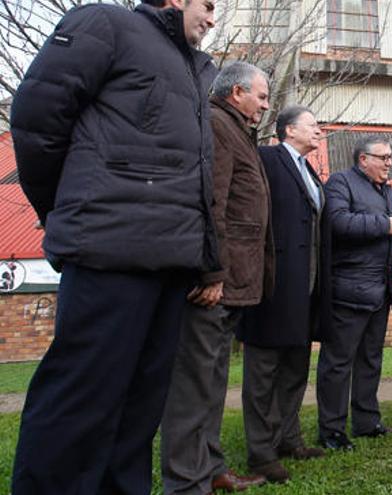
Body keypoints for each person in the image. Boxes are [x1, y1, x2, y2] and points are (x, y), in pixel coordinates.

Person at [9, 0, 218, 492]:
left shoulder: (191, 67)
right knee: (81, 404)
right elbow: (38, 117)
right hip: (110, 253)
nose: (213, 17)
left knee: (138, 412)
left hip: (170, 261)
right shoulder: (107, 23)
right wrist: (65, 206)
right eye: (208, 4)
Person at [161, 61, 273, 494]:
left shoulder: (234, 128)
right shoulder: (215, 125)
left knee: (212, 381)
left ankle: (210, 470)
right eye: (261, 96)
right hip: (215, 282)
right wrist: (211, 272)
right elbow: (210, 201)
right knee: (193, 385)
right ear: (236, 92)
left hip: (232, 283)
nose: (265, 105)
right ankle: (187, 481)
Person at [238, 105, 328, 482]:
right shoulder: (267, 158)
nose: (319, 131)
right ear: (289, 130)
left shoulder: (310, 171)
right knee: (262, 375)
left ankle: (289, 438)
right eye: (313, 125)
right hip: (272, 288)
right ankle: (261, 453)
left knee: (294, 369)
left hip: (305, 291)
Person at [316, 136, 392, 448]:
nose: (388, 163)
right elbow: (337, 222)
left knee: (371, 359)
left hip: (379, 292)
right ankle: (332, 430)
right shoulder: (341, 182)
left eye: (390, 157)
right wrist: (384, 224)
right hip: (349, 290)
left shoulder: (388, 191)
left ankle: (367, 421)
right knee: (338, 363)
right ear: (363, 159)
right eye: (382, 157)